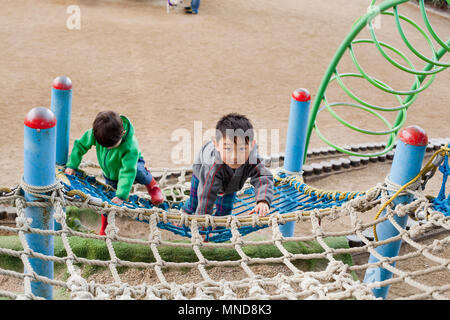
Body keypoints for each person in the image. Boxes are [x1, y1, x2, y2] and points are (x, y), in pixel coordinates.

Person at [65, 111, 164, 235]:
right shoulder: (98, 133)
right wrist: (72, 165)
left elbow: (127, 171)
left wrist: (122, 194)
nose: (108, 148)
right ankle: (105, 227)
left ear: (122, 134)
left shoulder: (130, 145)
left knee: (140, 172)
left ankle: (152, 186)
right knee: (108, 201)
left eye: (111, 146)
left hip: (133, 166)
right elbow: (80, 146)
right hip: (110, 175)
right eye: (104, 146)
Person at [182, 113, 273, 218]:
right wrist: (202, 225)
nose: (234, 157)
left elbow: (263, 177)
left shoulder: (253, 158)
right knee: (195, 202)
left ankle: (220, 229)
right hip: (202, 174)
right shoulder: (212, 165)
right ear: (216, 145)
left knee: (225, 210)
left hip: (231, 182)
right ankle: (185, 214)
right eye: (228, 149)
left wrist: (263, 200)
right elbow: (206, 196)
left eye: (242, 149)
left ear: (252, 145)